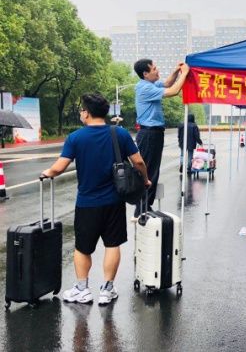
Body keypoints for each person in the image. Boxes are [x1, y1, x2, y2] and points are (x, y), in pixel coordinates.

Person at [42, 93, 151, 305]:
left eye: (82, 110)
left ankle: (82, 289)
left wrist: (47, 173)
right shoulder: (119, 133)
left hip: (87, 203)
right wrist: (145, 180)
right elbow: (138, 162)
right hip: (114, 201)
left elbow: (59, 168)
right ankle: (107, 290)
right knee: (112, 244)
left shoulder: (75, 138)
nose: (81, 113)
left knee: (82, 248)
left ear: (87, 113)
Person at [133, 59, 189, 217]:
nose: (157, 71)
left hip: (153, 133)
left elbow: (167, 84)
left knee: (152, 170)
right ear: (145, 74)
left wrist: (176, 71)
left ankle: (145, 207)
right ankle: (142, 209)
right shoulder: (145, 88)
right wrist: (184, 74)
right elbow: (173, 91)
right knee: (149, 171)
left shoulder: (150, 85)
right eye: (154, 69)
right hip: (149, 133)